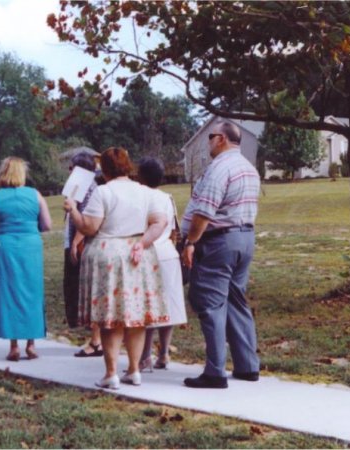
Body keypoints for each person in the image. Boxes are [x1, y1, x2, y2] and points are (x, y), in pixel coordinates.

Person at [64, 147, 168, 389]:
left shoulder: (103, 192)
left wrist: (73, 210)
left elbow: (89, 227)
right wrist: (143, 242)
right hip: (137, 256)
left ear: (106, 169)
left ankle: (111, 373)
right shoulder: (144, 192)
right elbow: (160, 222)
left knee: (110, 317)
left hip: (108, 255)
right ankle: (133, 370)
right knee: (136, 316)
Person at [181, 121, 261, 389]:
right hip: (245, 238)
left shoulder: (219, 169)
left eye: (211, 136)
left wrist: (190, 241)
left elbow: (204, 213)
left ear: (222, 139)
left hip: (219, 242)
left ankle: (215, 372)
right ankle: (247, 366)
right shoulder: (249, 168)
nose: (208, 142)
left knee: (210, 303)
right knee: (236, 300)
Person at [0, 157, 52, 361]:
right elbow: (47, 225)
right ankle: (31, 344)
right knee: (32, 292)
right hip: (30, 245)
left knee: (8, 292)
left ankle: (13, 346)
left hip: (5, 246)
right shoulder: (35, 195)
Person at [136, 157, 187, 371]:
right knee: (169, 305)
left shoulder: (139, 197)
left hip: (148, 252)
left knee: (147, 306)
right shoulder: (168, 197)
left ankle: (145, 355)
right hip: (168, 252)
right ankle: (164, 353)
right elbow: (175, 229)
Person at [62, 153, 103, 358]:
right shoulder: (77, 188)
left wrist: (76, 243)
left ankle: (96, 340)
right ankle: (93, 336)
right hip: (73, 241)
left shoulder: (90, 188)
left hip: (83, 244)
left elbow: (87, 218)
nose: (69, 172)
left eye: (71, 168)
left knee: (85, 290)